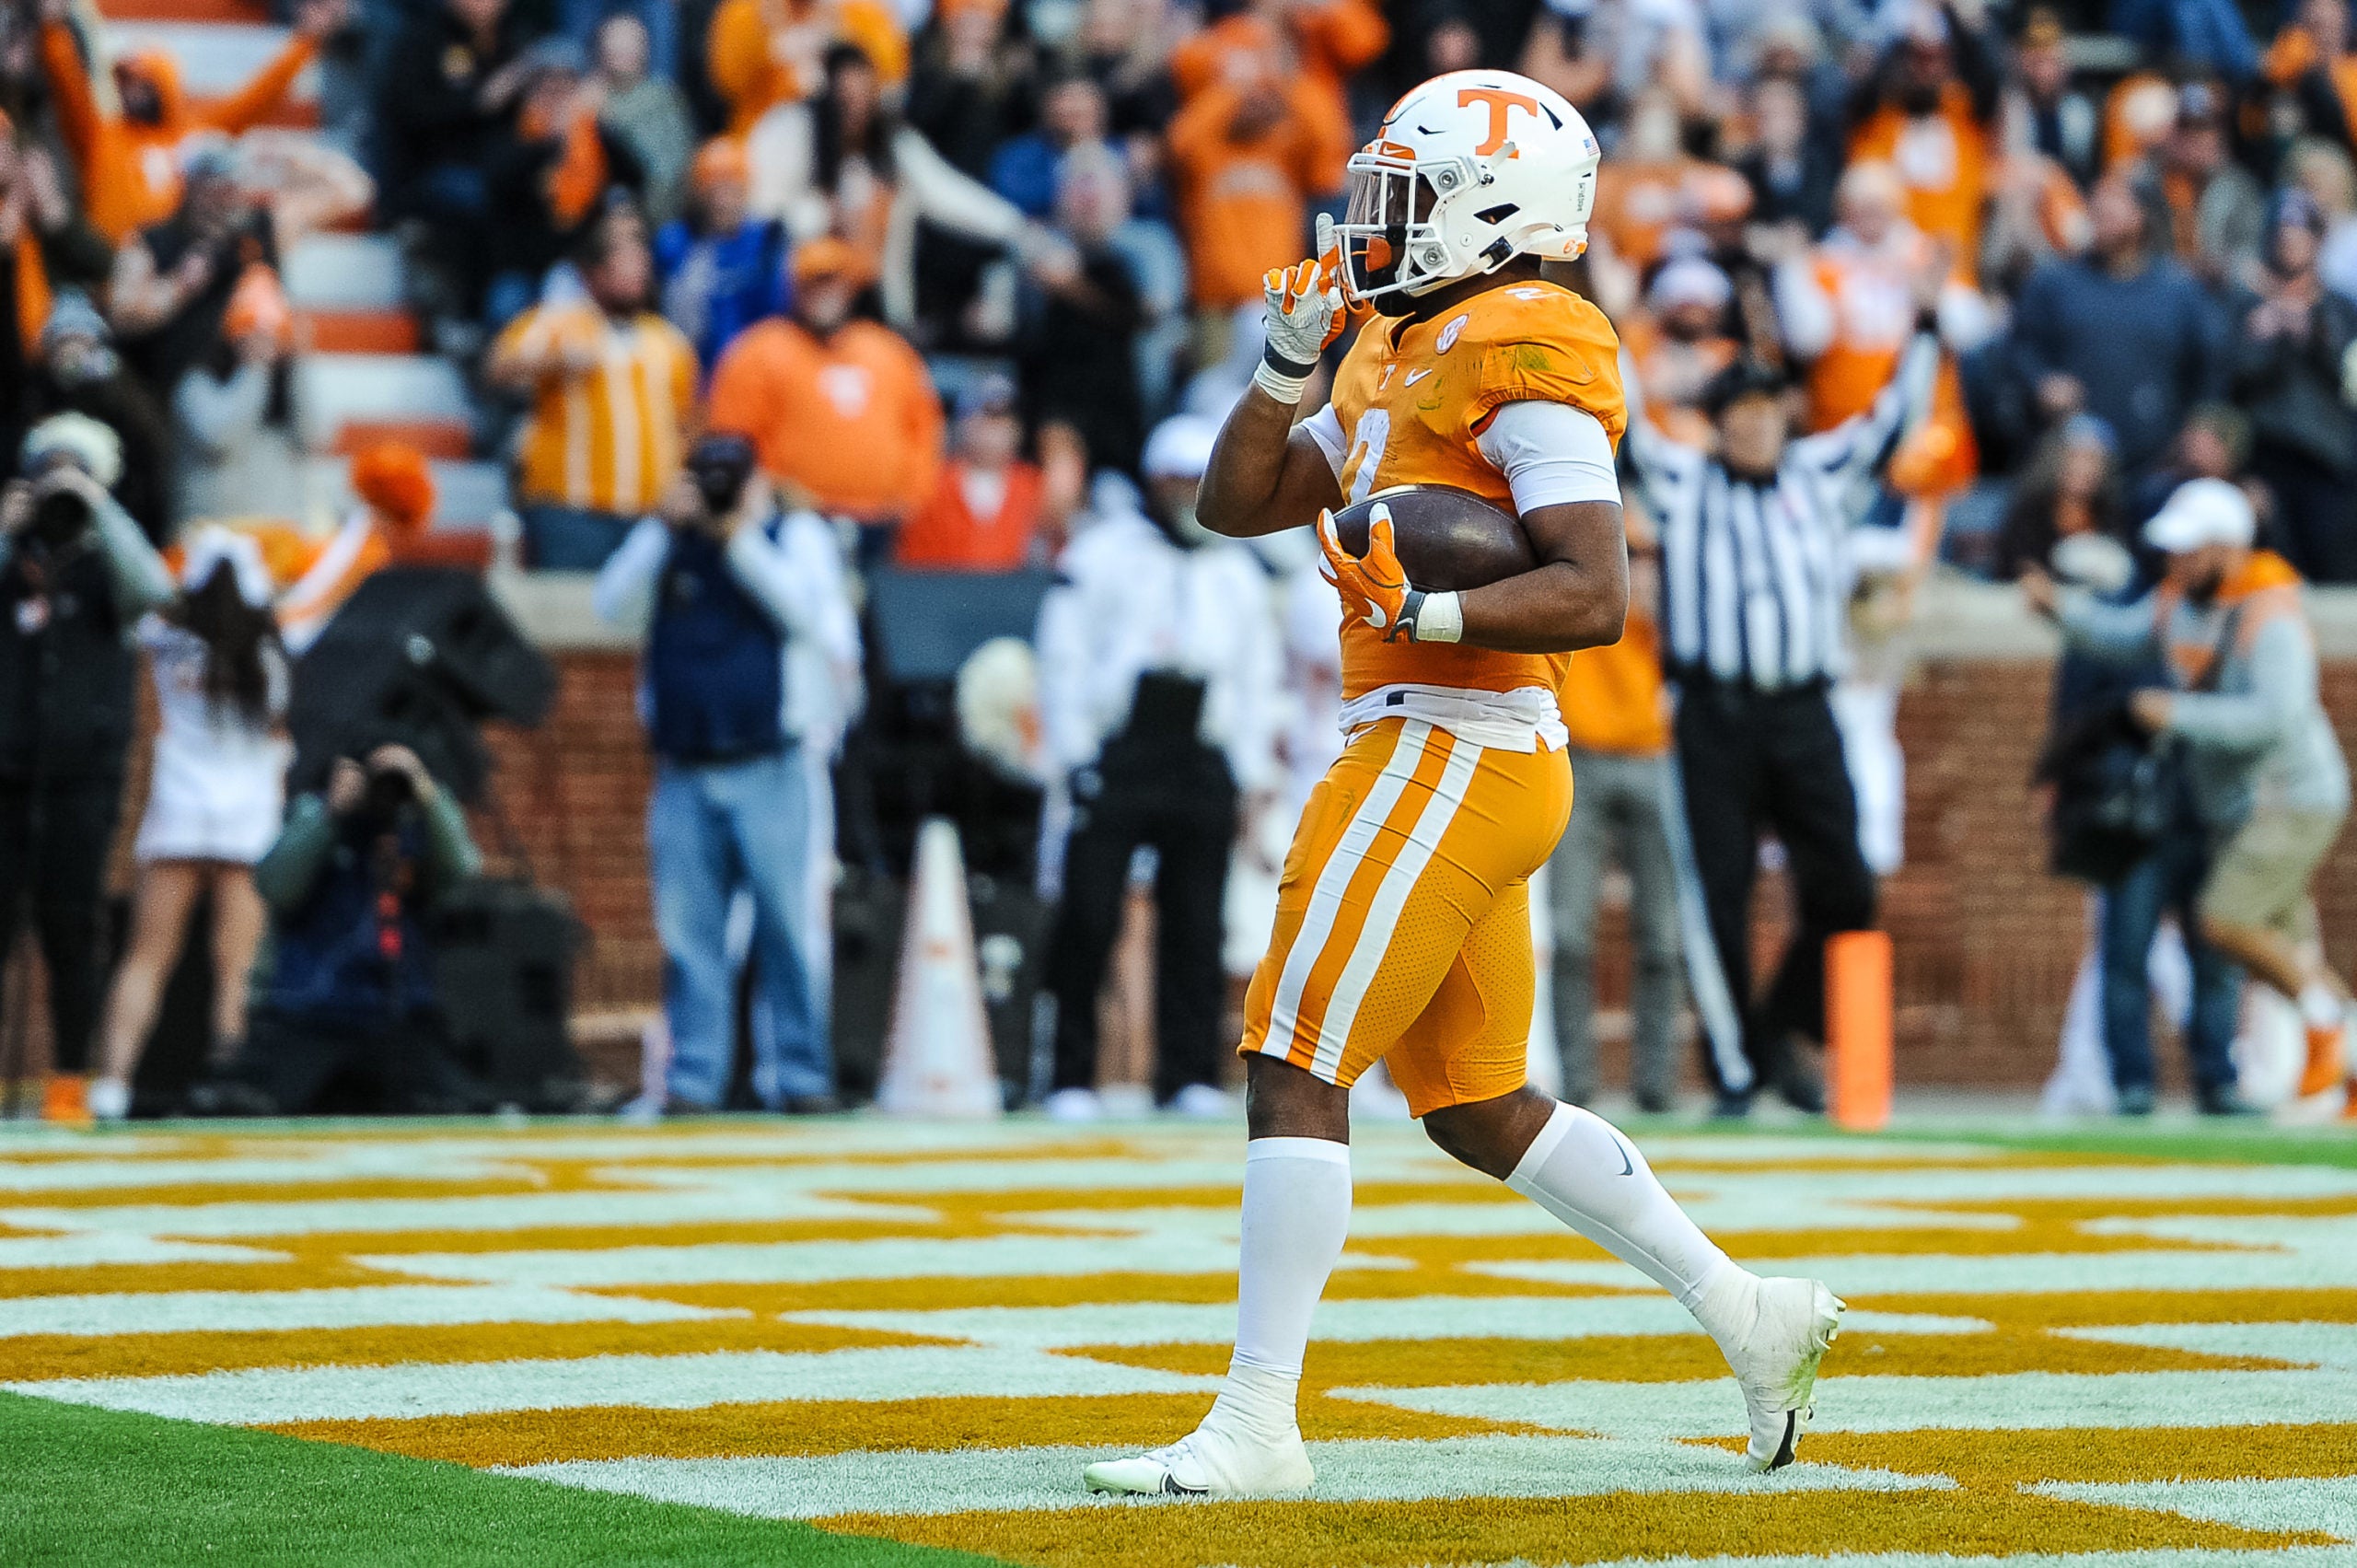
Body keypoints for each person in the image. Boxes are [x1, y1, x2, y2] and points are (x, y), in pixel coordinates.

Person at [1084, 69, 1841, 1503]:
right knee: (1476, 1105)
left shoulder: (1528, 336)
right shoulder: (1390, 340)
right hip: (1443, 738)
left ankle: (1258, 1418)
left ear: (1494, 211)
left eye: (1408, 195)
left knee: (1295, 1053)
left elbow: (1594, 590)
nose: (1376, 220)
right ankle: (1752, 1311)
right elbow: (1234, 502)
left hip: (1455, 732)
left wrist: (1429, 609)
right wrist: (1283, 368)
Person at [1631, 290, 1942, 1117]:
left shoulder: (1822, 474)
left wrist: (1924, 325)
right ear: (1717, 423)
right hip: (1715, 713)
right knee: (1718, 894)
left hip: (1805, 709)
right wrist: (1591, 303)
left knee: (1847, 886)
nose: (1755, 426)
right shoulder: (1682, 482)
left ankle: (1778, 1029)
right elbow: (1622, 427)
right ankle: (1737, 1072)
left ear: (1786, 417)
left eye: (1767, 411)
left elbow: (1891, 424)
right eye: (1740, 413)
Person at [2029, 479, 2350, 1113]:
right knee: (2283, 949)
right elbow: (2121, 634)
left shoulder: (2270, 616)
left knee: (2225, 920)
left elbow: (2273, 718)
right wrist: (2059, 608)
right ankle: (2346, 1056)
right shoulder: (2178, 600)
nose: (2174, 561)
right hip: (2241, 806)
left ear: (2227, 548)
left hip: (2291, 797)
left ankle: (2331, 1026)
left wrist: (2174, 714)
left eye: (2189, 549)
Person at [593, 435, 859, 1113]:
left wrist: (738, 537)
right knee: (690, 936)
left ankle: (800, 1075)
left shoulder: (791, 534)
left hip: (770, 761)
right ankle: (694, 1077)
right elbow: (611, 607)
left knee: (787, 928)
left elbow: (805, 616)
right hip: (685, 765)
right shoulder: (669, 541)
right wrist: (660, 530)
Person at [1032, 413, 1279, 1121]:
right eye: (1182, 481)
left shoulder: (1236, 568)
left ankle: (1186, 1073)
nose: (1193, 496)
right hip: (1120, 749)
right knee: (1089, 913)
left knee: (1197, 921)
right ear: (1155, 482)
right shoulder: (1104, 553)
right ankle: (1070, 1073)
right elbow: (1064, 653)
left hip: (1200, 751)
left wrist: (1249, 773)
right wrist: (1075, 754)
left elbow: (1257, 677)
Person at [0, 414, 175, 1125]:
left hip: (84, 777)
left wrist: (99, 508)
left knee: (71, 928)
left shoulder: (110, 564)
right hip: (6, 773)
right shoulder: (13, 556)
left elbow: (157, 590)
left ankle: (68, 1084)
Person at [88, 528, 289, 1121]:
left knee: (147, 958)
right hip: (247, 820)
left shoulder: (166, 639)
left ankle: (112, 1085)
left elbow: (138, 583)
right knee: (238, 967)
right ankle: (227, 1083)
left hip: (178, 812)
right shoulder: (271, 651)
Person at [189, 745, 485, 1116]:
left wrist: (428, 795)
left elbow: (464, 871)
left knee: (457, 1107)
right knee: (252, 1107)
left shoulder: (416, 824)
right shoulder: (316, 811)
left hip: (401, 1014)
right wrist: (330, 813)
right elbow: (275, 886)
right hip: (310, 1013)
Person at [1547, 512, 1681, 1113]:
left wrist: (1663, 605)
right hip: (1580, 751)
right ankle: (1578, 1083)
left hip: (1655, 752)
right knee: (1570, 931)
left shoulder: (1655, 531)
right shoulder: (1567, 525)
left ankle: (1657, 1084)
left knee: (1664, 935)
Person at [706, 237, 941, 563]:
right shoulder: (760, 351)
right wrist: (771, 490)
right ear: (794, 288)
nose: (824, 292)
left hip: (882, 523)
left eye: (832, 281)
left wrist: (912, 497)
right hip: (792, 522)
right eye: (813, 282)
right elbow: (731, 440)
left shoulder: (889, 352)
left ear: (850, 288)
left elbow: (923, 427)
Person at [39, 0, 348, 243]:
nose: (131, 92)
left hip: (173, 270)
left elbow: (257, 98)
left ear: (165, 86)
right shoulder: (103, 135)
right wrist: (52, 28)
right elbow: (69, 88)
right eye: (125, 82)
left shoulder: (194, 135)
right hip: (108, 270)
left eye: (142, 83)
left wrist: (306, 40)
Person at [488, 207, 696, 569]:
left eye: (640, 256)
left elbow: (688, 423)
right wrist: (556, 360)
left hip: (650, 516)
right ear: (593, 270)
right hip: (572, 512)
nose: (636, 267)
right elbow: (498, 367)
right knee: (572, 602)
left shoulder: (668, 340)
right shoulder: (562, 323)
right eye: (622, 257)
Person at [2011, 174, 2227, 477]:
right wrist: (2041, 382)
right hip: (2070, 465)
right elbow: (2020, 348)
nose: (2101, 205)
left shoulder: (2179, 291)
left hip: (2156, 464)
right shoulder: (2053, 281)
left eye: (2115, 198)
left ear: (2143, 216)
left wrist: (2197, 428)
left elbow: (2208, 368)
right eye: (2098, 197)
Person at [2228, 190, 2357, 583]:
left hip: (2328, 462)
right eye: (2282, 234)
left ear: (2317, 241)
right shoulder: (2245, 305)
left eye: (2300, 234)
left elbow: (2348, 377)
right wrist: (2261, 333)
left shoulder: (2339, 308)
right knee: (2275, 569)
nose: (2290, 243)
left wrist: (2311, 330)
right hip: (2264, 458)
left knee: (2334, 569)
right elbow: (2229, 378)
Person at [171, 261, 308, 529]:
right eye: (252, 331)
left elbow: (315, 436)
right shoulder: (196, 383)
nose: (263, 341)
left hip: (275, 535)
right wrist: (254, 368)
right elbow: (219, 437)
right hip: (210, 533)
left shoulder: (286, 384)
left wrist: (301, 361)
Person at [655, 139, 790, 370]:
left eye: (731, 189)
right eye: (714, 190)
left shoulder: (767, 238)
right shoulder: (676, 243)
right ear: (699, 195)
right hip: (699, 365)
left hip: (756, 365)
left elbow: (778, 310)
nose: (723, 201)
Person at [895, 372, 1046, 570]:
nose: (996, 429)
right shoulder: (930, 481)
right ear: (964, 421)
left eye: (1005, 418)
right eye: (988, 416)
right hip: (940, 586)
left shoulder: (1034, 485)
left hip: (1010, 588)